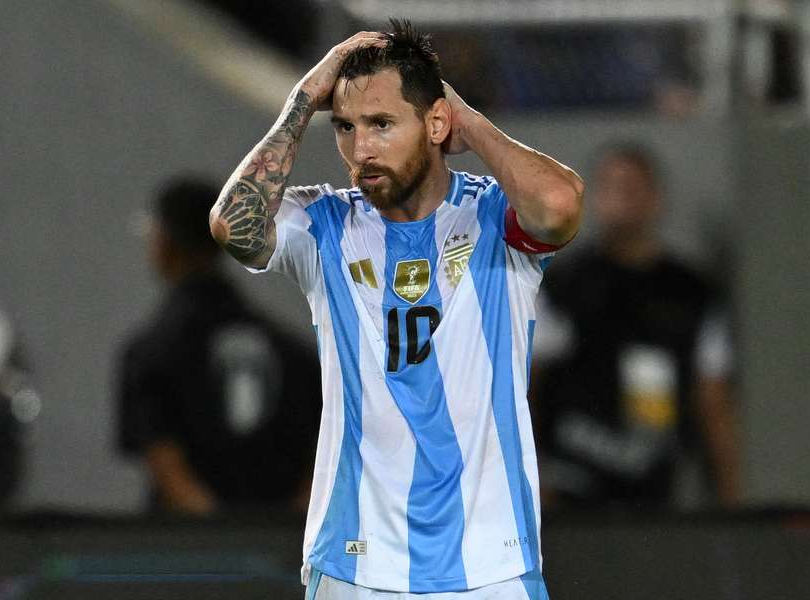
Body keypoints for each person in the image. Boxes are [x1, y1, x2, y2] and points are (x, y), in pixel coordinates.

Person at [209, 20, 584, 599]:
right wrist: (303, 99)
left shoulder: (493, 219)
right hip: (355, 566)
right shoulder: (325, 225)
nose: (361, 151)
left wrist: (470, 122)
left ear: (435, 122)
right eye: (345, 128)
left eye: (382, 124)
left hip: (489, 565)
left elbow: (560, 206)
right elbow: (232, 225)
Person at [531, 143, 739, 510]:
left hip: (653, 488)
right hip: (569, 485)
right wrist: (528, 476)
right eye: (610, 189)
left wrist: (729, 496)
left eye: (631, 189)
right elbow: (529, 383)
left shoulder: (692, 293)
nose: (620, 202)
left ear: (656, 199)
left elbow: (712, 400)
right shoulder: (564, 285)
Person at [117, 176, 320, 515]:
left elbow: (168, 471)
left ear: (163, 243)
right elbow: (317, 466)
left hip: (187, 559)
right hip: (283, 557)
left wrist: (222, 543)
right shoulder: (293, 352)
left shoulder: (149, 353)